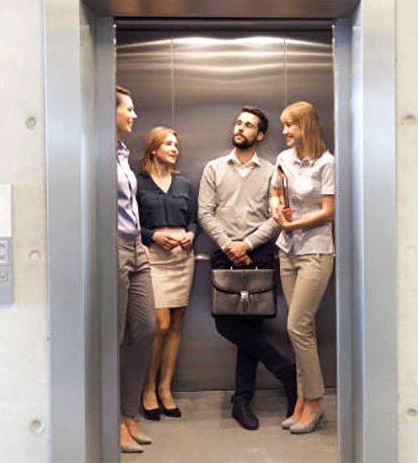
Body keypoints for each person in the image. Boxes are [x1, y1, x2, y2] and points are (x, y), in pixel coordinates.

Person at [198, 106, 298, 431]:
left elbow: (277, 216)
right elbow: (205, 213)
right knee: (226, 324)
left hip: (260, 256)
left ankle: (242, 401)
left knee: (251, 331)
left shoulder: (272, 171)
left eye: (249, 125)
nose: (240, 128)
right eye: (239, 123)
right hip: (223, 254)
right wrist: (230, 244)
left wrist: (247, 245)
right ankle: (285, 370)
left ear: (260, 135)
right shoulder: (214, 168)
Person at [270, 101, 335, 435]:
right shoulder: (283, 159)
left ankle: (315, 399)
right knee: (300, 331)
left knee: (297, 325)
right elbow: (275, 194)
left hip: (316, 251)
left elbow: (328, 211)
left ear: (305, 126)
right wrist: (277, 212)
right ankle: (301, 402)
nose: (284, 132)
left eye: (289, 126)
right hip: (288, 251)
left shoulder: (327, 163)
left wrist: (294, 225)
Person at [137, 126, 197, 420]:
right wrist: (152, 236)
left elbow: (194, 220)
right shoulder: (138, 184)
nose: (175, 148)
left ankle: (165, 388)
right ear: (153, 149)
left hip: (182, 259)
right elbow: (130, 223)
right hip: (154, 260)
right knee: (159, 325)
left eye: (176, 144)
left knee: (176, 324)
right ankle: (147, 388)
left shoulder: (184, 183)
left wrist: (190, 235)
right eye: (168, 144)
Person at [114, 86, 154, 453]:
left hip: (136, 247)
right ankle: (112, 422)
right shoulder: (98, 154)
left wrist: (141, 242)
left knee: (144, 329)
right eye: (129, 108)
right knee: (112, 338)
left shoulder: (122, 155)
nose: (134, 114)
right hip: (111, 247)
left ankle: (129, 414)